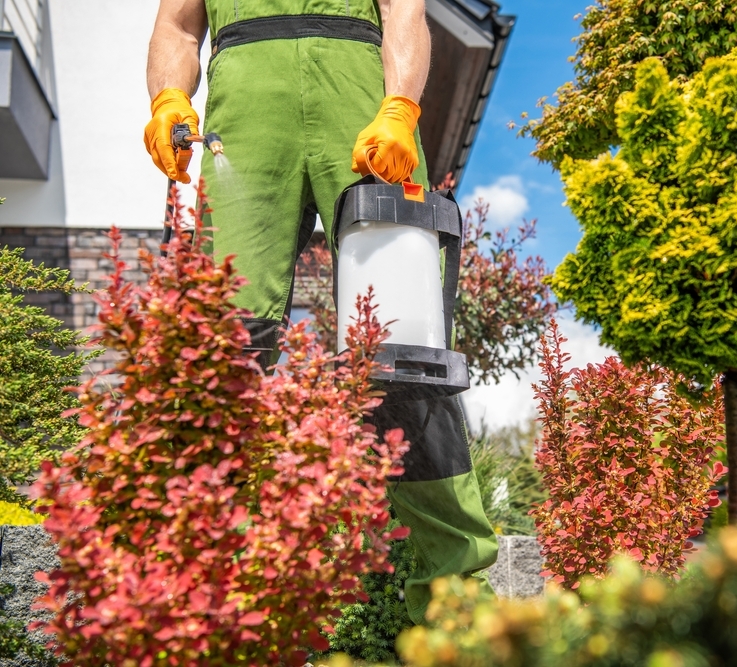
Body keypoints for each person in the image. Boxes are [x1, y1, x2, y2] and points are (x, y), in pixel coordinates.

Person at [143, 0, 498, 623]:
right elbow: (178, 23)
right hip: (245, 120)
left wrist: (400, 107)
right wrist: (169, 98)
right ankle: (206, 585)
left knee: (403, 350)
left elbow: (405, 11)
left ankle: (456, 601)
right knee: (225, 344)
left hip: (360, 106)